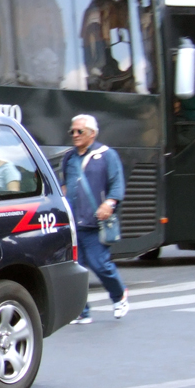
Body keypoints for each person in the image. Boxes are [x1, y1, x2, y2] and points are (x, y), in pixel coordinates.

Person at [60, 114, 128, 323]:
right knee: (76, 270)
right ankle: (82, 310)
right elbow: (64, 185)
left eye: (79, 131)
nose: (75, 135)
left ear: (92, 133)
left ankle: (119, 296)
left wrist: (109, 203)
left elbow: (117, 184)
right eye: (72, 131)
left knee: (101, 266)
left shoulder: (107, 155)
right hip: (74, 224)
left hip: (95, 223)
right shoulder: (69, 158)